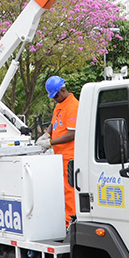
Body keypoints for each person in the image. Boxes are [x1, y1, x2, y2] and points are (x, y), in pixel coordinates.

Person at [44, 75, 78, 226]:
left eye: (55, 96)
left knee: (69, 190)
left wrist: (50, 142)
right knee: (62, 190)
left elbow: (72, 134)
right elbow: (54, 123)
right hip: (59, 156)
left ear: (62, 91)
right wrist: (46, 134)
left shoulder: (73, 106)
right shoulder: (60, 105)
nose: (54, 99)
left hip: (70, 156)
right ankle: (64, 219)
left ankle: (69, 222)